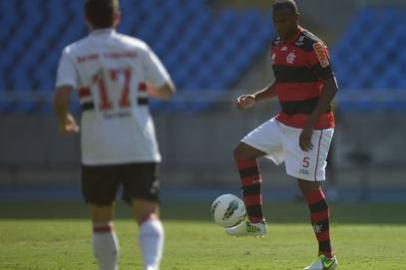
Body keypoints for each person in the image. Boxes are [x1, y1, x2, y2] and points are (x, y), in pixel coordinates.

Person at [53, 1, 175, 269]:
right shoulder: (136, 48)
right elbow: (167, 89)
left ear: (87, 19)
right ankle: (151, 266)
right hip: (138, 142)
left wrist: (65, 119)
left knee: (101, 218)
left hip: (98, 146)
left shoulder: (74, 51)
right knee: (147, 214)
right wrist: (140, 87)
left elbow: (62, 96)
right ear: (117, 17)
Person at [226, 1, 339, 269]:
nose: (280, 24)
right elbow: (282, 83)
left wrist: (309, 127)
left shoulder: (312, 45)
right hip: (285, 121)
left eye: (285, 19)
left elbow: (332, 85)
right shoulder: (277, 44)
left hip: (315, 125)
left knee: (308, 187)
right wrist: (256, 97)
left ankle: (327, 259)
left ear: (296, 17)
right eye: (276, 20)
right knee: (243, 153)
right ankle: (255, 222)